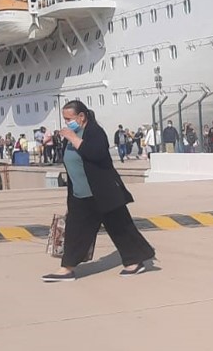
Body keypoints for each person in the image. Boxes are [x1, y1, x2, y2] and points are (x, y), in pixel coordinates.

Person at [42, 100, 156, 282]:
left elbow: (96, 153)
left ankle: (134, 262)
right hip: (81, 194)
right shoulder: (72, 135)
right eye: (64, 119)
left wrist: (73, 138)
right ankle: (66, 268)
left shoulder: (94, 132)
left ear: (81, 117)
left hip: (103, 192)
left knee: (120, 227)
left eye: (69, 118)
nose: (66, 123)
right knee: (75, 230)